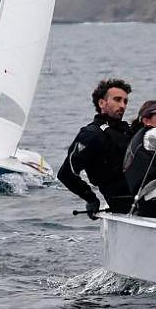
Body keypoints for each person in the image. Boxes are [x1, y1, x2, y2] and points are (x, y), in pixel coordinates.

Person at [58, 78, 134, 219]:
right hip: (124, 203)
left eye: (125, 101)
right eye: (117, 100)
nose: (122, 105)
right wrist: (91, 198)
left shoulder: (128, 130)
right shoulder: (91, 134)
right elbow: (66, 173)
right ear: (101, 103)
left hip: (146, 193)